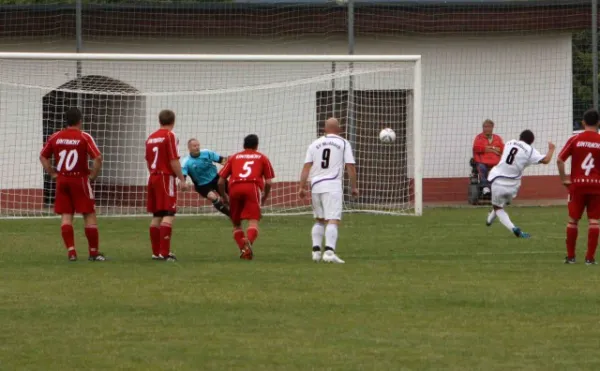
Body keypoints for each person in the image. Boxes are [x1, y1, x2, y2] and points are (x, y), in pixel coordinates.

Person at [39, 107, 105, 261]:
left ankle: (71, 252)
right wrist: (93, 175)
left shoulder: (55, 137)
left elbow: (43, 157)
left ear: (66, 121)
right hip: (79, 180)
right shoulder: (84, 137)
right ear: (80, 121)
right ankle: (93, 253)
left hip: (62, 180)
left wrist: (53, 173)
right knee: (89, 214)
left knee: (66, 215)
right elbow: (98, 158)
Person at [298, 117, 358, 264]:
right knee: (333, 219)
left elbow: (306, 167)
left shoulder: (314, 144)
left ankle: (316, 252)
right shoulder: (343, 143)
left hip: (316, 185)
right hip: (332, 185)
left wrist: (301, 186)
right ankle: (329, 252)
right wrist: (354, 186)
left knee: (319, 219)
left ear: (324, 129)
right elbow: (350, 166)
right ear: (339, 129)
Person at [486, 130, 555, 238]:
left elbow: (502, 152)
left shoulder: (510, 142)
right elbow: (546, 160)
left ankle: (513, 228)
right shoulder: (531, 151)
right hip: (513, 185)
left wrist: (493, 149)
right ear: (531, 141)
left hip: (498, 180)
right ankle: (489, 220)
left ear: (520, 137)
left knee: (498, 208)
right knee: (501, 203)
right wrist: (551, 149)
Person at [218, 134, 275, 260]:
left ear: (244, 145)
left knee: (236, 224)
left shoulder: (234, 157)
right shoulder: (262, 158)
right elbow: (269, 182)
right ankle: (247, 242)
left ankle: (244, 251)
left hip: (234, 188)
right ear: (256, 146)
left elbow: (221, 181)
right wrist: (264, 196)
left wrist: (224, 196)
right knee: (253, 221)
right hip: (252, 187)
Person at [557, 108, 600, 265]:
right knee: (594, 222)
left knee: (573, 221)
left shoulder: (575, 139)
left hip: (578, 185)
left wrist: (564, 179)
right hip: (596, 186)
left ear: (583, 122)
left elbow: (560, 160)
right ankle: (590, 258)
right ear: (598, 123)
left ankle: (571, 257)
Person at [145, 109, 188, 262]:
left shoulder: (150, 138)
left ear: (160, 121)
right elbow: (173, 160)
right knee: (169, 214)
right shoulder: (170, 136)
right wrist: (182, 179)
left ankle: (156, 252)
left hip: (153, 177)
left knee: (157, 215)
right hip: (165, 177)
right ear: (173, 121)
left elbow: (148, 159)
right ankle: (164, 253)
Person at [181, 138, 230, 216]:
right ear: (189, 148)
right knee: (212, 197)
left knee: (232, 192)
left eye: (198, 145)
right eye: (194, 146)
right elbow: (183, 176)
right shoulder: (186, 162)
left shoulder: (207, 153)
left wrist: (231, 167)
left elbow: (222, 160)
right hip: (202, 185)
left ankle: (238, 208)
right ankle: (230, 215)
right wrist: (183, 183)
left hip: (215, 178)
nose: (197, 147)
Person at [472, 119, 504, 195]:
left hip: (495, 162)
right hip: (482, 162)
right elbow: (476, 148)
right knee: (482, 168)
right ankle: (485, 187)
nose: (487, 129)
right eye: (485, 127)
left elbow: (502, 149)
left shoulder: (497, 138)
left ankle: (496, 188)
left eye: (489, 127)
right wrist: (493, 148)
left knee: (500, 171)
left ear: (492, 128)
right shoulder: (478, 138)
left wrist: (488, 148)